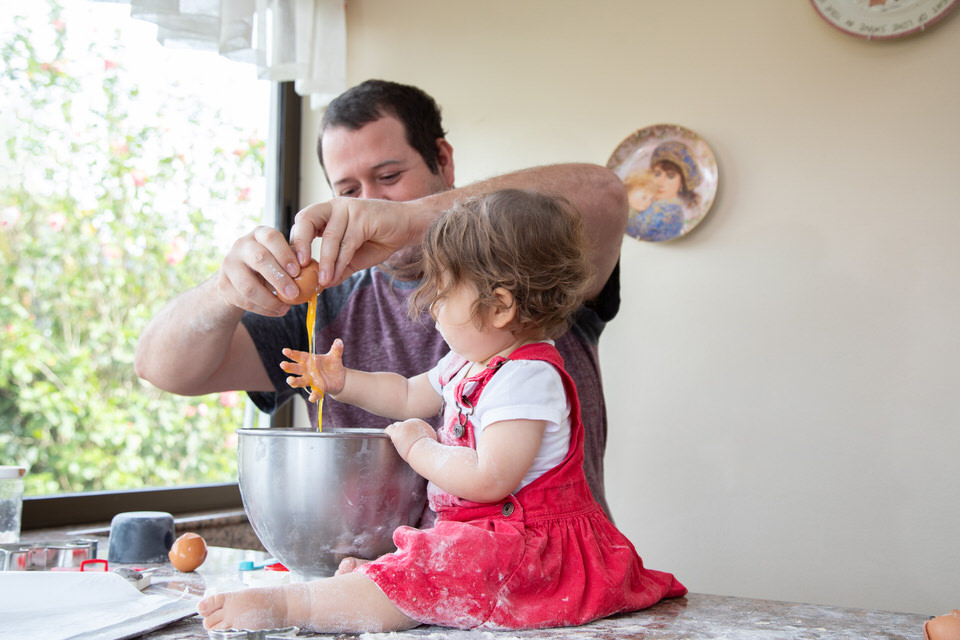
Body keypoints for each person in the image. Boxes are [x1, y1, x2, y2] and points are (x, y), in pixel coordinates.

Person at [197, 189, 685, 632]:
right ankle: (371, 587)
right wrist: (343, 382)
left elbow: (490, 479)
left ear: (499, 308)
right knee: (425, 567)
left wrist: (420, 449)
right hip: (489, 538)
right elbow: (408, 394)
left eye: (442, 292)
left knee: (429, 577)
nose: (431, 308)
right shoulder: (468, 362)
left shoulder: (526, 378)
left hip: (530, 551)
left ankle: (293, 609)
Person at [134, 79, 627, 517]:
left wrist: (415, 219)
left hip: (536, 571)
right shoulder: (322, 305)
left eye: (389, 177)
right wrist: (224, 291)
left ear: (443, 160)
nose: (368, 200)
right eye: (349, 189)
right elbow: (160, 367)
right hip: (378, 580)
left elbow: (604, 192)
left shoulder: (528, 270)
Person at [625, 140, 702, 242]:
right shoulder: (649, 203)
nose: (660, 182)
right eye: (657, 174)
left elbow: (633, 227)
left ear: (682, 183)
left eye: (670, 176)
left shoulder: (669, 210)